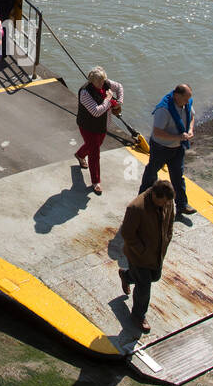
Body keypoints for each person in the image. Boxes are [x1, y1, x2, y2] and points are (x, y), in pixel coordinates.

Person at [119, 180, 176, 333]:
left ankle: (126, 275)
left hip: (157, 253)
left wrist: (167, 238)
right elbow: (127, 233)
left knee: (155, 277)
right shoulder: (136, 208)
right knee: (144, 288)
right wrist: (141, 251)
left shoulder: (167, 201)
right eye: (162, 202)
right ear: (154, 196)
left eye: (167, 203)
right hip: (139, 257)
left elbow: (170, 221)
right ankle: (138, 316)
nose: (165, 205)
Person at [137, 84, 199, 216]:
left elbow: (191, 116)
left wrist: (190, 130)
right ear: (177, 96)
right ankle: (141, 203)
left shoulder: (186, 103)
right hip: (161, 148)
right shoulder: (163, 110)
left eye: (189, 99)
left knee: (178, 176)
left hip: (177, 148)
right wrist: (177, 137)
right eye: (185, 99)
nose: (188, 102)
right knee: (151, 174)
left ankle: (182, 205)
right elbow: (157, 132)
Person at [75, 66, 124, 195]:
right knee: (95, 152)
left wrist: (119, 101)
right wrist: (108, 100)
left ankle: (80, 155)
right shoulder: (85, 93)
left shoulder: (105, 83)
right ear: (92, 81)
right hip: (88, 126)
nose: (103, 84)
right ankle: (96, 182)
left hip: (103, 125)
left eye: (103, 81)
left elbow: (119, 87)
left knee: (94, 146)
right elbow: (96, 112)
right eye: (99, 82)